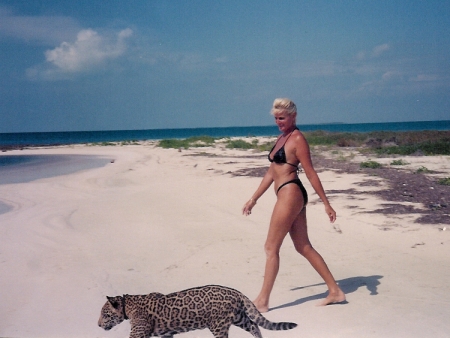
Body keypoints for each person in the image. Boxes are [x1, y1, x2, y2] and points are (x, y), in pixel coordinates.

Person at [242, 98, 345, 312]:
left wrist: (327, 204)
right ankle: (335, 291)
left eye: (282, 118)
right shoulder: (282, 137)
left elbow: (310, 172)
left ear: (293, 116)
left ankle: (262, 301)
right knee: (303, 246)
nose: (279, 122)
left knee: (271, 247)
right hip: (286, 193)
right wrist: (254, 198)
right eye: (276, 118)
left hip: (291, 193)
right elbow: (272, 171)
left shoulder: (298, 139)